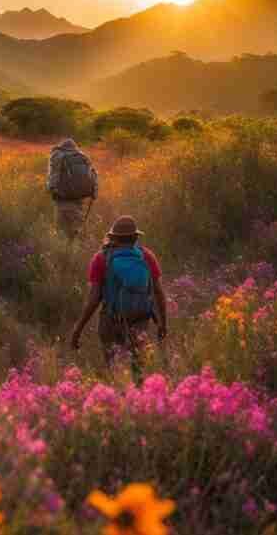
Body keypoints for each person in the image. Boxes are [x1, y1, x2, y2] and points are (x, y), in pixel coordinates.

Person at [69, 216, 168, 382]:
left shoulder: (101, 258)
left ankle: (115, 398)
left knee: (112, 370)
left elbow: (94, 299)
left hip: (111, 321)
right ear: (136, 237)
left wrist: (78, 329)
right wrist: (162, 323)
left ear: (113, 237)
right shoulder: (146, 256)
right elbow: (158, 292)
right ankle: (139, 400)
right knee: (139, 370)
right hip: (140, 321)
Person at [47, 138, 98, 241]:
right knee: (77, 231)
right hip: (79, 201)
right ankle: (77, 251)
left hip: (63, 200)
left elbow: (53, 178)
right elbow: (93, 176)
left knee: (61, 233)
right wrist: (93, 193)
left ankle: (65, 254)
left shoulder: (58, 156)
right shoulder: (83, 157)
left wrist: (51, 190)